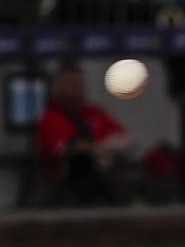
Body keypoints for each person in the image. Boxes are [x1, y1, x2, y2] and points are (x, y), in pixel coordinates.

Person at [37, 63, 134, 206]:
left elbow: (127, 138)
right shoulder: (50, 117)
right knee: (82, 161)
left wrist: (104, 151)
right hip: (65, 188)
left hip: (105, 179)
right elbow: (72, 147)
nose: (73, 88)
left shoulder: (93, 112)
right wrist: (101, 151)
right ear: (57, 86)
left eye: (76, 83)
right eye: (67, 83)